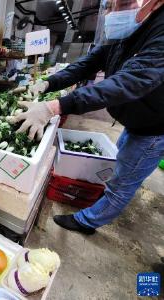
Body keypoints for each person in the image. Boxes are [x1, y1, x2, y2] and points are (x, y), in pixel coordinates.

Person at [9, 0, 164, 235]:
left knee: (124, 181)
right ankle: (106, 195)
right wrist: (49, 83)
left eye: (122, 5)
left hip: (154, 126)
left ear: (154, 3)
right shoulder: (130, 30)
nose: (112, 13)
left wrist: (54, 107)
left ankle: (88, 221)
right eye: (109, 6)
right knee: (122, 162)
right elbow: (88, 63)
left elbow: (127, 82)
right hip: (136, 118)